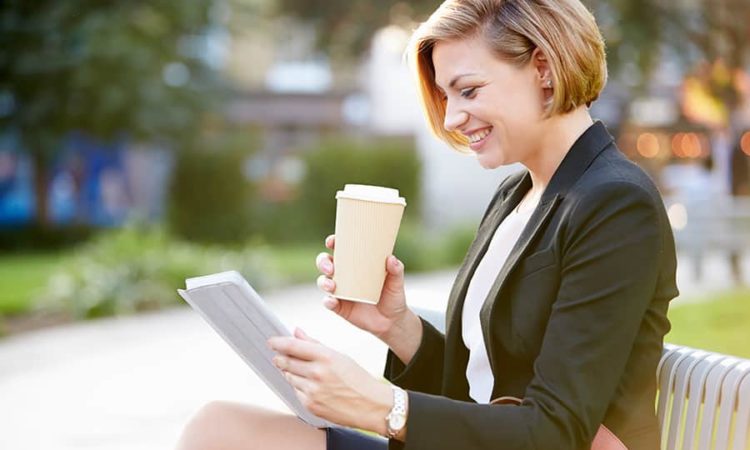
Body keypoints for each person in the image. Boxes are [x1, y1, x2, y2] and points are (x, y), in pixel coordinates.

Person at [175, 0, 679, 449]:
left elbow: (554, 431)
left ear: (544, 68)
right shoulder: (516, 194)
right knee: (217, 427)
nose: (454, 117)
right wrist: (399, 328)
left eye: (469, 90)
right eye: (447, 96)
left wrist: (380, 405)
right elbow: (476, 386)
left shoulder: (615, 203)